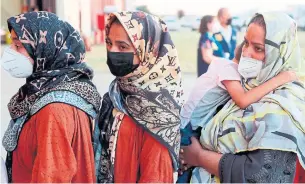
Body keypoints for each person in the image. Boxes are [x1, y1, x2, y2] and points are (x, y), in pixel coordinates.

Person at [179, 12, 305, 183]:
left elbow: (264, 174)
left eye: (258, 48)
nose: (247, 53)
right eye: (246, 43)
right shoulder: (246, 84)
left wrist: (200, 157)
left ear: (279, 53)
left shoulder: (283, 103)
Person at [0, 11, 101, 182]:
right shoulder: (52, 91)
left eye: (18, 46)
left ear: (44, 50)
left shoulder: (53, 109)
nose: (9, 53)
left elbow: (51, 177)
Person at [93, 11, 184, 183]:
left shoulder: (158, 113)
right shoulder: (116, 92)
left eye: (123, 46)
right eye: (109, 42)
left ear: (148, 50)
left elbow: (155, 177)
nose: (112, 51)